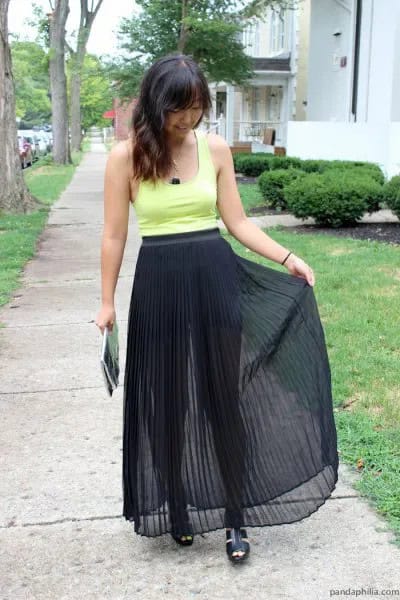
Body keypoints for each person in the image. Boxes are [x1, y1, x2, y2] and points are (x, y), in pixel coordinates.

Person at [95, 53, 339, 563]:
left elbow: (238, 223)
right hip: (159, 286)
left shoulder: (216, 150)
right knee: (169, 405)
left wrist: (288, 256)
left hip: (215, 280)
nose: (187, 121)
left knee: (223, 400)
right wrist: (105, 302)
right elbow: (115, 235)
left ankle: (234, 515)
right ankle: (178, 508)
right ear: (157, 104)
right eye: (178, 111)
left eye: (196, 110)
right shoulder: (127, 157)